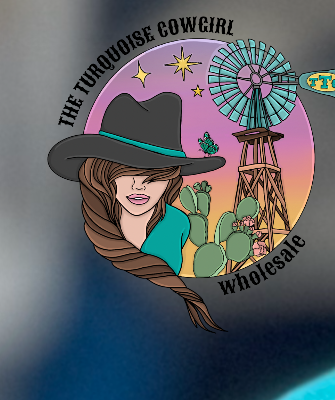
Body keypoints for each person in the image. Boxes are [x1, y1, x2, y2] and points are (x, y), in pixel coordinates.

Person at [46, 91, 222, 331]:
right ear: (102, 176)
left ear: (170, 180)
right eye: (126, 173)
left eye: (154, 176)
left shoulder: (178, 225)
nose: (139, 186)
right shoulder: (86, 236)